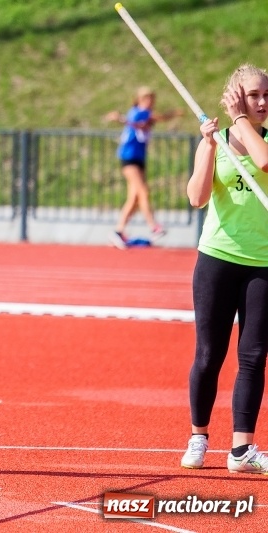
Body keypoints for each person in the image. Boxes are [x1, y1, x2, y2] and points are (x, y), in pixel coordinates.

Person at [180, 63, 268, 473]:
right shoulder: (214, 140)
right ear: (237, 97)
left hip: (263, 264)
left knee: (253, 355)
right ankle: (198, 436)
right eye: (254, 96)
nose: (263, 102)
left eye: (267, 96)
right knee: (209, 353)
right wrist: (211, 146)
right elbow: (196, 197)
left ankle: (241, 450)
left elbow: (264, 162)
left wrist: (241, 122)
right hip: (217, 258)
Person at [105, 86, 182, 249]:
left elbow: (157, 119)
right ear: (140, 99)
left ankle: (118, 230)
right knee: (143, 191)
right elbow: (139, 124)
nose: (151, 102)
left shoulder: (146, 116)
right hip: (129, 157)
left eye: (152, 99)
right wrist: (120, 119)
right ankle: (153, 226)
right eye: (148, 99)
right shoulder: (137, 112)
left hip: (139, 159)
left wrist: (173, 114)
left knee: (133, 199)